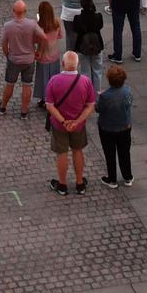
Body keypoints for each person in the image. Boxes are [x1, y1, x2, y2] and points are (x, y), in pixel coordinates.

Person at [44, 49, 96, 194]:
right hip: (78, 126)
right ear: (77, 65)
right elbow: (90, 105)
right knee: (77, 151)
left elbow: (49, 105)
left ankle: (62, 185)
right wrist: (77, 122)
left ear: (62, 64)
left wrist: (63, 121)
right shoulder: (85, 81)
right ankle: (80, 183)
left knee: (62, 153)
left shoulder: (54, 81)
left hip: (59, 126)